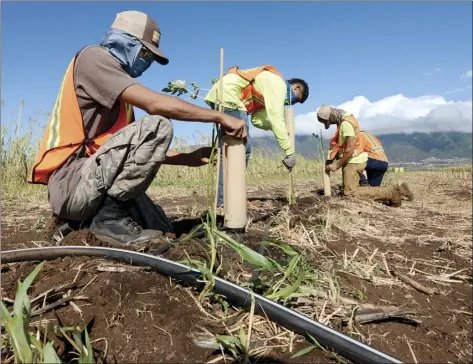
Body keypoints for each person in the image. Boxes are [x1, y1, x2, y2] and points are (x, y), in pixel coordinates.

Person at [28, 10, 247, 247]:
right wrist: (219, 117)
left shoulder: (121, 101)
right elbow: (155, 106)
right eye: (144, 53)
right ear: (123, 41)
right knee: (159, 125)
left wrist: (189, 158)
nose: (147, 64)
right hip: (72, 184)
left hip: (91, 181)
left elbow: (131, 152)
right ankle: (108, 218)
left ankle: (96, 220)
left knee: (162, 227)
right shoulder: (94, 58)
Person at [204, 66, 309, 207]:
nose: (291, 103)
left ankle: (226, 200)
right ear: (296, 88)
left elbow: (257, 120)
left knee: (229, 152)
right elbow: (276, 118)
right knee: (240, 150)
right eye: (296, 100)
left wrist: (277, 129)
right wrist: (289, 152)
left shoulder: (269, 88)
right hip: (229, 96)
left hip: (221, 95)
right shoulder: (278, 84)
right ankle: (228, 201)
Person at [317, 105, 414, 206]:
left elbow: (349, 150)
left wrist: (337, 165)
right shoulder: (347, 120)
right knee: (368, 190)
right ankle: (399, 191)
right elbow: (344, 146)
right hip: (364, 161)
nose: (329, 124)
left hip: (355, 161)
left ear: (332, 117)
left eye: (328, 122)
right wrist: (331, 158)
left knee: (350, 194)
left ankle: (392, 192)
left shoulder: (346, 124)